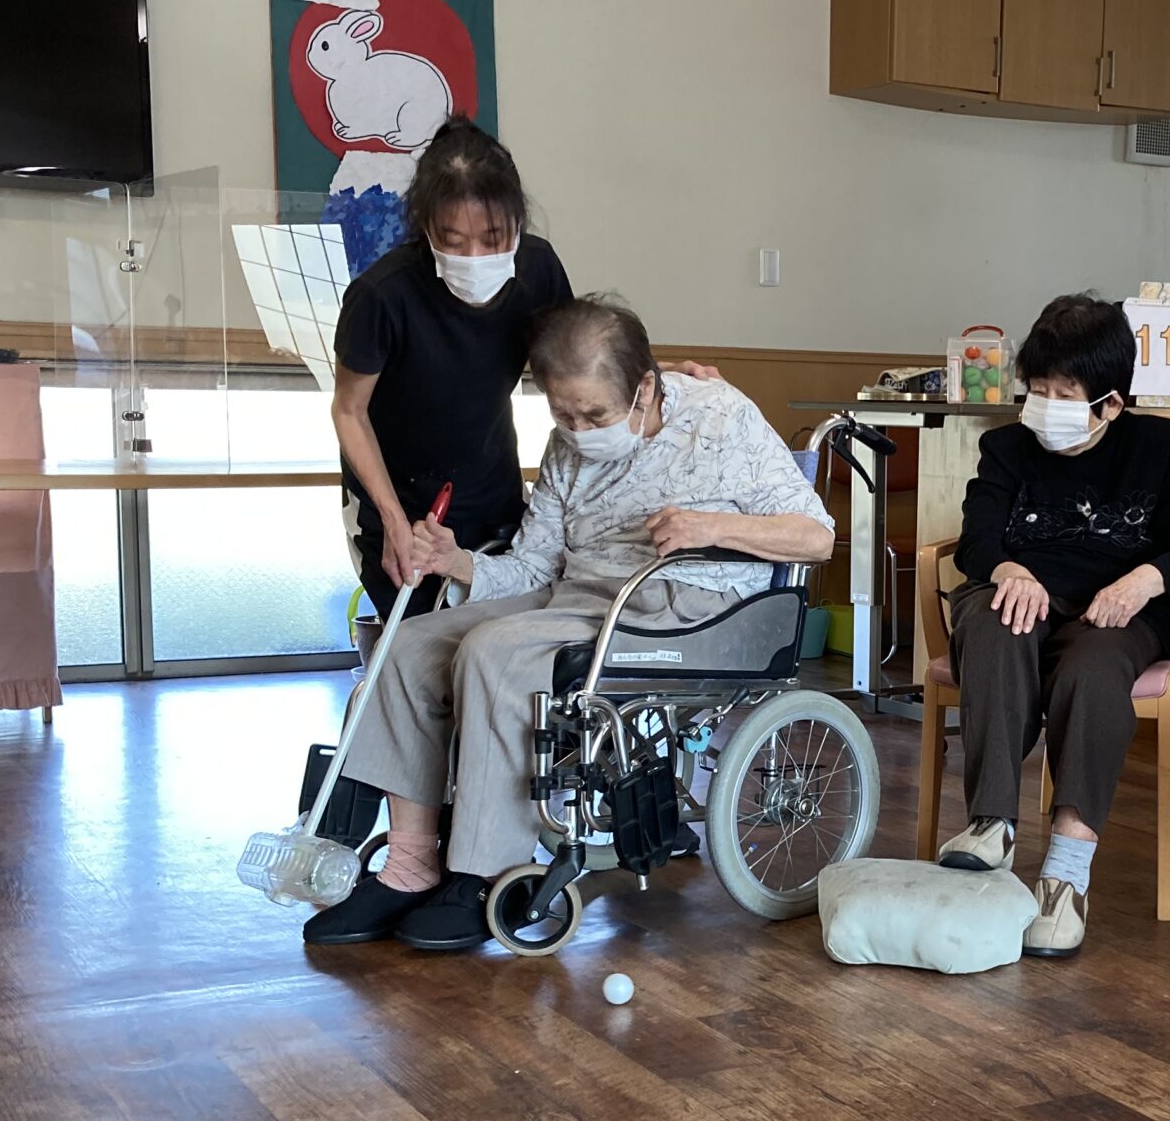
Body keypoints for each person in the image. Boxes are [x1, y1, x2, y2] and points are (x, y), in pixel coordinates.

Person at [304, 296, 834, 953]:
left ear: (645, 388)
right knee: (408, 646)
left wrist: (711, 526)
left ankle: (487, 874)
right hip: (578, 596)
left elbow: (815, 537)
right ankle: (411, 865)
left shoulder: (721, 417)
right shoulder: (566, 447)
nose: (580, 431)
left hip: (683, 603)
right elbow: (534, 565)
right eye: (564, 414)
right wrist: (458, 561)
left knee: (494, 653)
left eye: (596, 416)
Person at [939, 292, 1170, 958]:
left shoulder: (1159, 448)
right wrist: (1008, 570)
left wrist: (1148, 580)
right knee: (995, 626)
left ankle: (1065, 877)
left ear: (1111, 403)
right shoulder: (1006, 448)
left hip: (1115, 610)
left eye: (1064, 394)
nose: (1045, 406)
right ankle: (991, 824)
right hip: (1019, 595)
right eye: (1037, 389)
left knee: (1093, 670)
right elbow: (976, 538)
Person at [331, 119, 574, 622]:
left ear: (518, 220)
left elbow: (580, 366)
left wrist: (652, 378)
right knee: (422, 641)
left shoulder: (537, 270)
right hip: (398, 499)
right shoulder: (383, 295)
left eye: (493, 238)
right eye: (453, 240)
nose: (474, 257)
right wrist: (393, 521)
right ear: (425, 227)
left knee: (497, 637)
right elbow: (349, 412)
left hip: (493, 486)